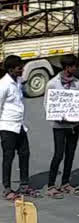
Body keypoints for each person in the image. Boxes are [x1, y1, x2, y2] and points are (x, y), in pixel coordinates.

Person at [45, 54, 79, 199]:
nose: (76, 69)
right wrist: (58, 115)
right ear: (67, 67)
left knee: (70, 153)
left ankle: (65, 182)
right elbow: (47, 105)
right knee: (58, 154)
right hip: (59, 126)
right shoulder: (53, 84)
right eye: (74, 66)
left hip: (74, 125)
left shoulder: (77, 83)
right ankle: (51, 184)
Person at [0, 55, 35, 200]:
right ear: (11, 69)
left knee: (25, 153)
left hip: (19, 125)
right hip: (7, 126)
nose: (22, 70)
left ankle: (24, 184)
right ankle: (7, 188)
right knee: (8, 157)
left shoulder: (18, 81)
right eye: (19, 68)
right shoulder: (4, 85)